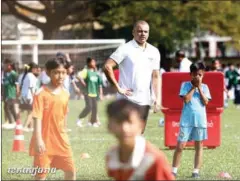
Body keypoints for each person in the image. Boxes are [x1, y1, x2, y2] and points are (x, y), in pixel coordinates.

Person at [104, 20, 161, 133]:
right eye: (139, 31)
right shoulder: (125, 49)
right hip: (127, 99)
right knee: (128, 133)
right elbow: (107, 66)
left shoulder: (154, 51)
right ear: (133, 32)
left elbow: (155, 76)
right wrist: (118, 88)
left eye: (145, 31)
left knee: (140, 132)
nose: (143, 34)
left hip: (145, 99)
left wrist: (157, 98)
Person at [29, 57, 76, 180]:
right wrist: (38, 140)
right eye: (56, 72)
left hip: (61, 141)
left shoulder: (66, 93)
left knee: (71, 171)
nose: (60, 76)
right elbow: (37, 118)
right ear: (48, 72)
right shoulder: (40, 93)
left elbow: (64, 115)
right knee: (41, 175)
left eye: (63, 72)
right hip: (44, 142)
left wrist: (64, 131)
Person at [105, 99, 175, 180]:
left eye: (130, 122)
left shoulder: (154, 159)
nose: (124, 128)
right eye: (118, 122)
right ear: (109, 126)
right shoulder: (112, 155)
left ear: (141, 125)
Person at [172, 62, 211, 178]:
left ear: (203, 75)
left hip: (200, 121)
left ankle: (196, 171)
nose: (198, 77)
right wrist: (194, 87)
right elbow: (186, 100)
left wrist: (199, 87)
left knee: (199, 146)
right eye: (195, 75)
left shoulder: (205, 87)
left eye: (200, 75)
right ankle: (174, 170)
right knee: (180, 146)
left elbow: (206, 102)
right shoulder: (185, 85)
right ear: (191, 74)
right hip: (186, 121)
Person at [76, 57, 103, 127]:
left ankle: (92, 123)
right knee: (89, 107)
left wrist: (101, 94)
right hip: (87, 92)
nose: (94, 63)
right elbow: (78, 76)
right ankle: (79, 119)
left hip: (95, 93)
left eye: (94, 62)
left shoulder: (96, 73)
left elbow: (100, 84)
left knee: (95, 108)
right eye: (92, 62)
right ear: (88, 63)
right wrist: (83, 82)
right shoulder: (86, 71)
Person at [17, 62, 39, 132]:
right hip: (29, 96)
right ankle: (25, 126)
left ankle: (27, 126)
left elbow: (19, 85)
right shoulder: (31, 76)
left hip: (23, 95)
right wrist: (34, 97)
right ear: (32, 69)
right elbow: (32, 87)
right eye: (36, 68)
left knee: (22, 110)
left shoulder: (23, 75)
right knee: (31, 112)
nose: (37, 70)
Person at [2, 58, 19, 129]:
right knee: (7, 108)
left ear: (9, 66)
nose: (4, 67)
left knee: (8, 108)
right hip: (6, 94)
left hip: (11, 94)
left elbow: (17, 84)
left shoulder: (13, 74)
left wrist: (17, 92)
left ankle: (13, 122)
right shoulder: (6, 74)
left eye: (5, 65)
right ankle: (15, 122)